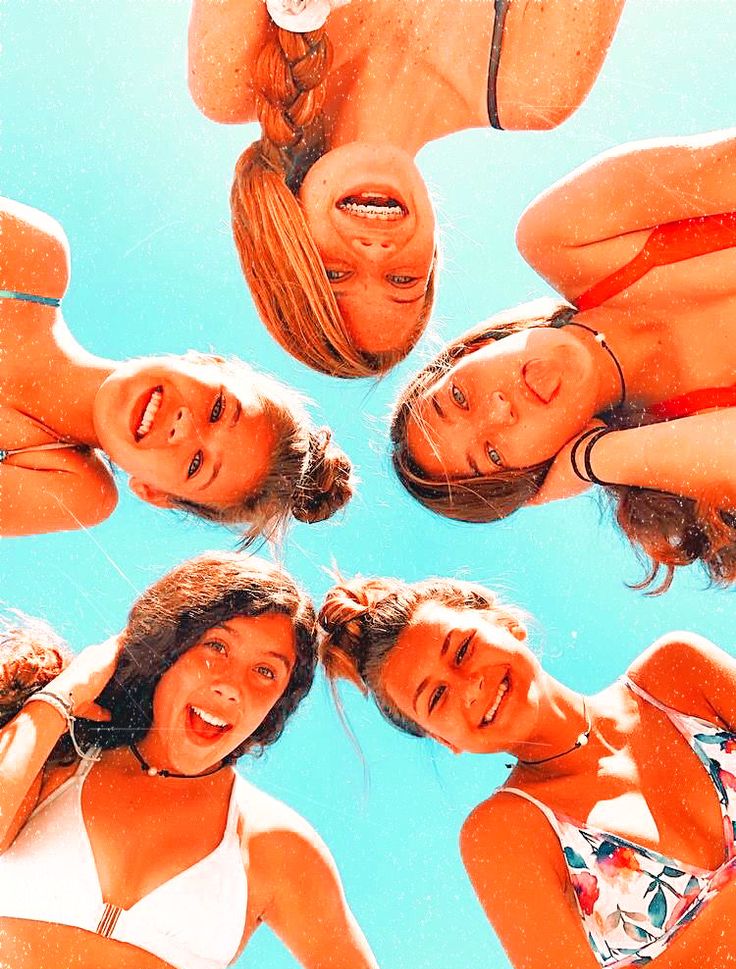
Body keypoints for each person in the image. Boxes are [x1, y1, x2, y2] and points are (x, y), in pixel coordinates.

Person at [318, 572, 736, 969]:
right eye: (437, 696)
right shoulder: (505, 833)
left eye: (462, 650)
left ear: (507, 625)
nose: (470, 687)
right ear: (446, 741)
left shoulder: (677, 675)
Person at [188, 0, 625, 377]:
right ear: (431, 252)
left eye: (336, 274)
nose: (375, 252)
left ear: (287, 240)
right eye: (401, 279)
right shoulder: (538, 82)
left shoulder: (234, 77)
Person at [0, 551, 381, 969]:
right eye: (216, 646)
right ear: (168, 646)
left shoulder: (270, 843)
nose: (232, 686)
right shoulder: (56, 761)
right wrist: (63, 696)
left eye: (265, 671)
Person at [391, 128, 736, 591]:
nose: (499, 409)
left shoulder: (562, 237)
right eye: (493, 453)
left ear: (473, 351)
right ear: (543, 467)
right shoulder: (696, 452)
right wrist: (593, 458)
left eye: (458, 395)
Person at [0, 197, 353, 538]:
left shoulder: (77, 490)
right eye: (217, 409)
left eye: (196, 464)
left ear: (153, 493)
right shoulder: (31, 260)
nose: (184, 429)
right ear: (205, 361)